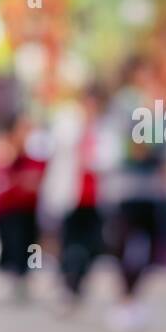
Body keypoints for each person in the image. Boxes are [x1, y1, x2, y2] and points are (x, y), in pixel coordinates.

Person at [105, 56, 166, 332]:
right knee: (123, 243)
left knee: (156, 247)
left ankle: (133, 297)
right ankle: (124, 298)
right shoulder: (125, 103)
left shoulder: (163, 106)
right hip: (126, 188)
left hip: (154, 189)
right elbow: (131, 145)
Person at [50, 85, 111, 310]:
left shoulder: (105, 128)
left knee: (92, 246)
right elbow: (62, 145)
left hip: (94, 200)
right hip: (71, 198)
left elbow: (106, 159)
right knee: (69, 244)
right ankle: (67, 284)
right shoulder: (68, 122)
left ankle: (79, 283)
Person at [0, 116, 46, 302]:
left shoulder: (35, 152)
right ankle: (12, 277)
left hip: (30, 207)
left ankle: (26, 278)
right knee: (12, 243)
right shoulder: (5, 148)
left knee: (31, 244)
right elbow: (0, 171)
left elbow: (38, 176)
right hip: (8, 207)